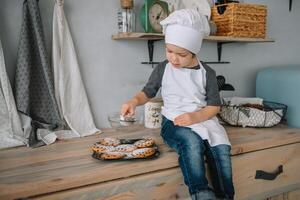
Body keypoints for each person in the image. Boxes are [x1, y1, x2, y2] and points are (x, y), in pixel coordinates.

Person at [121, 9, 235, 200]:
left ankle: (226, 195)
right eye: (169, 51)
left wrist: (195, 117)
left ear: (193, 52)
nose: (173, 58)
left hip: (204, 120)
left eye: (181, 54)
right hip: (173, 122)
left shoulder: (208, 73)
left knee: (221, 150)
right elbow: (147, 93)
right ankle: (201, 193)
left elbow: (214, 106)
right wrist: (133, 101)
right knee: (192, 143)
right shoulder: (163, 68)